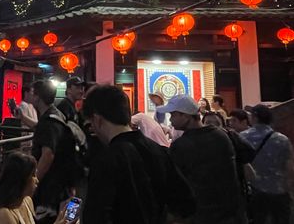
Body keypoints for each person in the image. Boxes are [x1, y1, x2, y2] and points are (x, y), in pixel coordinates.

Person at [82, 85, 195, 224]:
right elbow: (186, 203)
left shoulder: (106, 160)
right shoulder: (158, 150)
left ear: (97, 119)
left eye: (91, 124)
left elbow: (95, 217)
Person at [158, 95, 240, 224]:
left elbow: (175, 184)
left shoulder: (181, 146)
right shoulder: (221, 135)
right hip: (229, 211)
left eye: (173, 114)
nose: (171, 119)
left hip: (199, 213)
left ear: (186, 116)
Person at [0, 152, 75, 224]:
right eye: (33, 175)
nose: (37, 180)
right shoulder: (3, 214)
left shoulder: (27, 202)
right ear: (21, 179)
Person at [31, 80, 76, 223]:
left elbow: (48, 154)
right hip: (64, 183)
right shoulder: (56, 115)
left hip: (51, 188)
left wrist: (34, 182)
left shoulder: (49, 121)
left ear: (37, 97)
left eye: (32, 93)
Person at [241, 104, 294, 224]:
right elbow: (290, 168)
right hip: (279, 190)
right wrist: (289, 189)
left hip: (254, 190)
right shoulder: (282, 139)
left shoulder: (243, 137)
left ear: (254, 117)